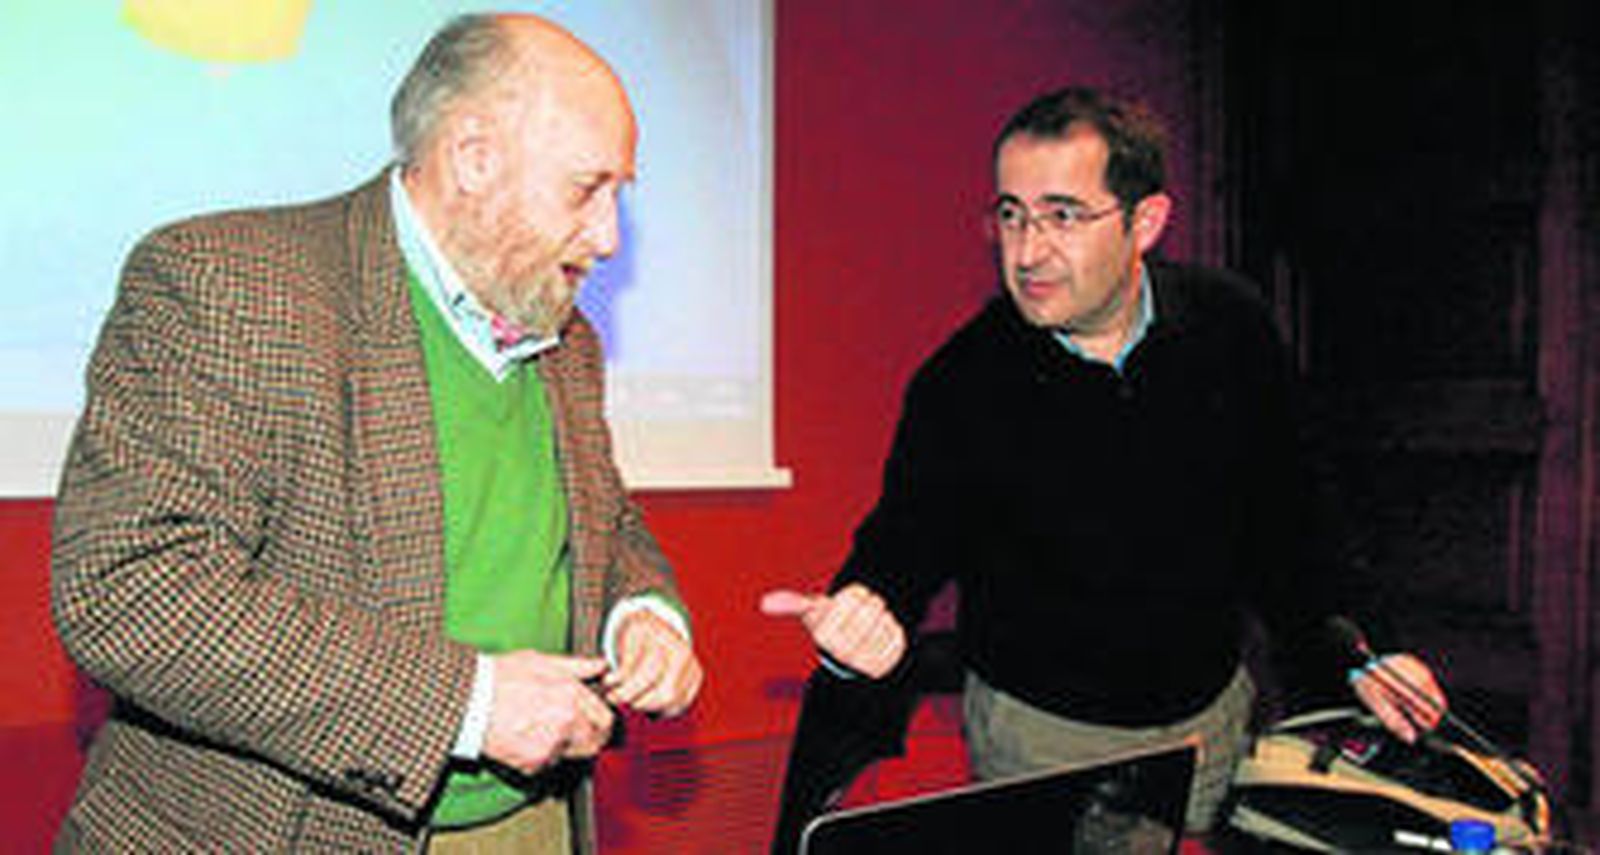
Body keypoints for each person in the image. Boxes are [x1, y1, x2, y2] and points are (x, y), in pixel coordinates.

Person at [50, 13, 702, 853]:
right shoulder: (228, 282)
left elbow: (603, 524)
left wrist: (642, 612)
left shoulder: (565, 338)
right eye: (585, 189)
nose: (609, 237)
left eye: (621, 195)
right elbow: (135, 590)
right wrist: (467, 703)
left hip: (533, 824)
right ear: (473, 158)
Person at [763, 86, 1446, 836]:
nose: (1027, 251)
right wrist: (862, 613)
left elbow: (1294, 518)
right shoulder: (963, 381)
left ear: (1145, 221)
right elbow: (899, 546)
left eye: (1062, 214)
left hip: (1212, 715)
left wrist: (1369, 650)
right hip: (1047, 739)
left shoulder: (1232, 325)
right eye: (1011, 213)